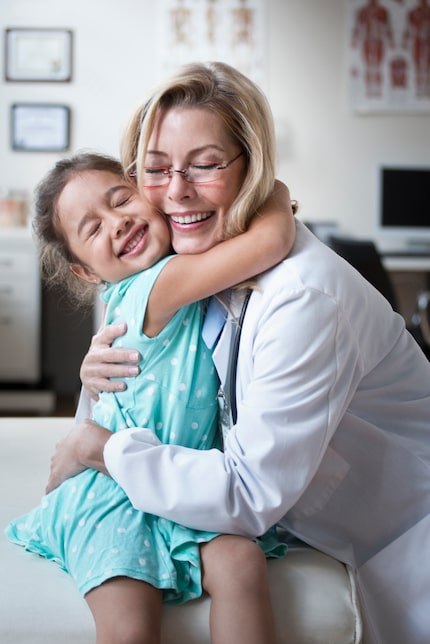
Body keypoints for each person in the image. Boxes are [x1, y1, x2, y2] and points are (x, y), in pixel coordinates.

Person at [47, 62, 430, 644]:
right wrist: (88, 385)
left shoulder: (303, 297)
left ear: (250, 165)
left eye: (205, 164)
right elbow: (128, 389)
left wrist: (96, 448)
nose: (176, 191)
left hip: (395, 541)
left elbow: (248, 495)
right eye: (156, 169)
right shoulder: (170, 265)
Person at [6, 151, 295, 644]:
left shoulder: (178, 270)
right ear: (86, 273)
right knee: (130, 620)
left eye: (121, 199)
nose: (117, 224)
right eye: (92, 230)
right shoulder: (157, 287)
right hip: (114, 488)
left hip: (178, 480)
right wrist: (278, 190)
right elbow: (271, 239)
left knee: (240, 561)